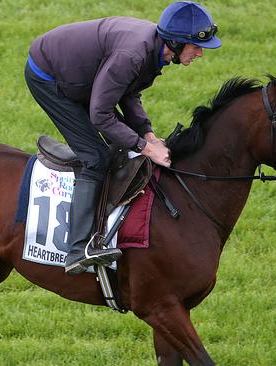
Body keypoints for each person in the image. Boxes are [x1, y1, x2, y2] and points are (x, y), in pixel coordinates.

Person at [24, 1, 222, 275]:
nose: (200, 53)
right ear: (175, 44)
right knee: (95, 157)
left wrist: (148, 134)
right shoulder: (133, 55)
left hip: (80, 73)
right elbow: (101, 115)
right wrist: (145, 148)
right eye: (196, 46)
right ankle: (78, 250)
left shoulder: (153, 50)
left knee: (119, 145)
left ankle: (102, 227)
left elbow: (128, 93)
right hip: (50, 77)